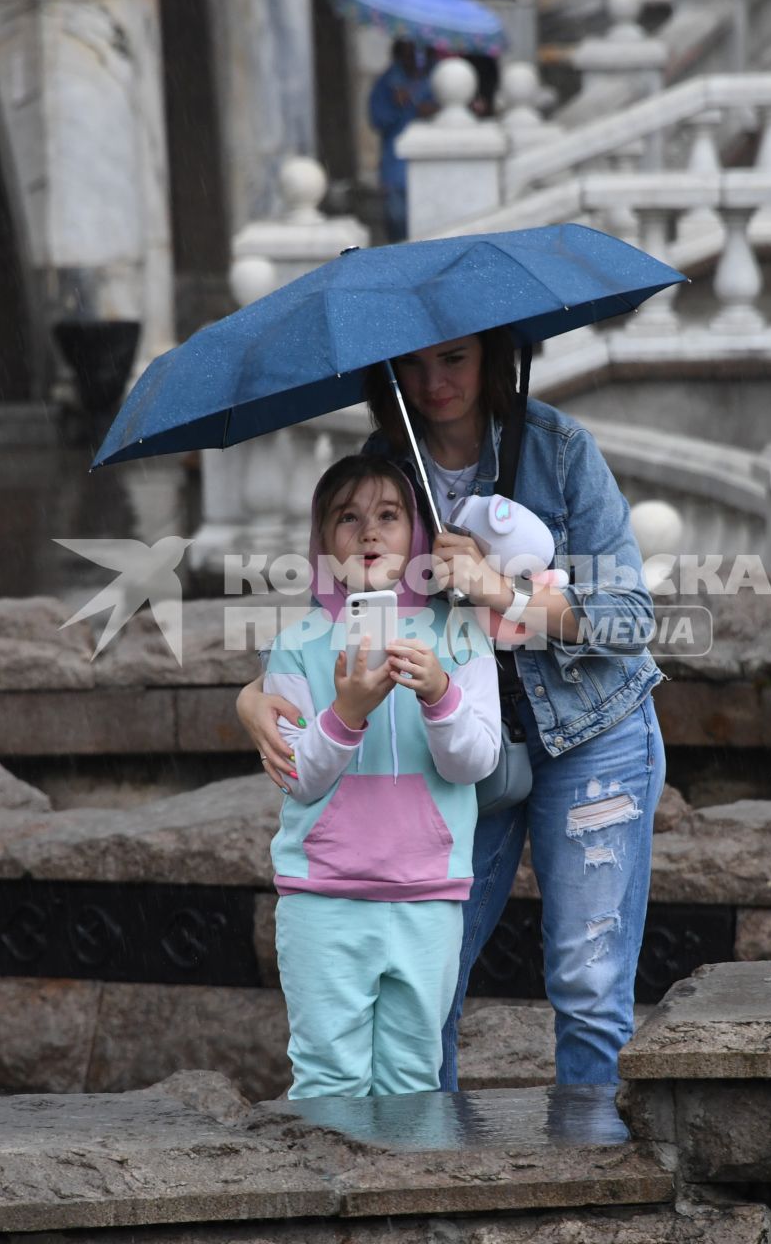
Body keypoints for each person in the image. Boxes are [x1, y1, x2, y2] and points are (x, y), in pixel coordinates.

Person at [239, 328, 664, 1092]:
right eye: (413, 361)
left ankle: (599, 1155)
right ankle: (422, 1158)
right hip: (460, 748)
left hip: (593, 733)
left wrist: (501, 591)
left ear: (491, 357)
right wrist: (251, 694)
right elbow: (333, 613)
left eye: (455, 358)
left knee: (589, 984)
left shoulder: (558, 450)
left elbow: (632, 618)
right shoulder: (388, 465)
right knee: (431, 983)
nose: (434, 380)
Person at [264, 455, 501, 1097]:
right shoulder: (296, 644)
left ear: (418, 535)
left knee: (412, 1080)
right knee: (328, 1079)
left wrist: (440, 695)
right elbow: (297, 776)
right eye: (347, 518)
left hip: (428, 893)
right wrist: (346, 713)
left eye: (389, 516)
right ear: (322, 544)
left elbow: (476, 762)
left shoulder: (460, 637)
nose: (369, 532)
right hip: (324, 895)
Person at [368, 41, 438, 243]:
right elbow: (377, 119)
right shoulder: (388, 83)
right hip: (395, 166)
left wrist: (433, 110)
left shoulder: (436, 78)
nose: (414, 59)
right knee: (397, 218)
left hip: (430, 162)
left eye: (419, 53)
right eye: (409, 54)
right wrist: (397, 104)